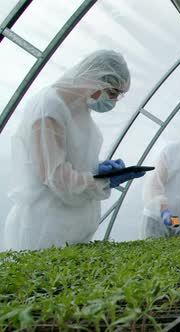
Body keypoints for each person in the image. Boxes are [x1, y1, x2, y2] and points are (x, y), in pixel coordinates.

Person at [3, 50, 145, 251]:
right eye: (112, 93)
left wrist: (99, 170)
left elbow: (73, 160)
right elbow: (56, 178)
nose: (112, 102)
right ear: (95, 81)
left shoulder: (80, 109)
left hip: (70, 229)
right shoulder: (49, 108)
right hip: (45, 230)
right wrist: (102, 180)